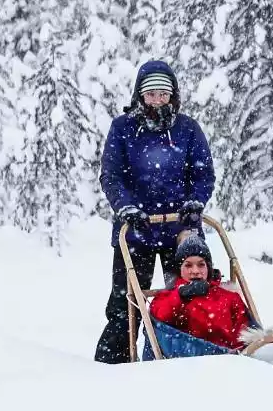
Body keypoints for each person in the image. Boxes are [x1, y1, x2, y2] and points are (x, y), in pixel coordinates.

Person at [94, 59, 216, 364]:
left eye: (163, 94)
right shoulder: (122, 129)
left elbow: (203, 173)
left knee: (192, 298)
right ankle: (111, 368)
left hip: (182, 231)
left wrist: (195, 202)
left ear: (173, 96)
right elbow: (111, 176)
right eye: (151, 95)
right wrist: (126, 207)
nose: (157, 101)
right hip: (136, 231)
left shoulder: (188, 129)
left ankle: (195, 357)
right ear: (140, 96)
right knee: (126, 307)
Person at [146, 233, 252, 351]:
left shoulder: (230, 297)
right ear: (180, 269)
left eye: (201, 265)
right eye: (188, 265)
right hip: (188, 359)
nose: (195, 271)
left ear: (208, 268)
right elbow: (160, 314)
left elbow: (243, 333)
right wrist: (180, 295)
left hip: (227, 360)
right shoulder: (168, 297)